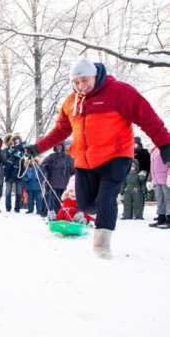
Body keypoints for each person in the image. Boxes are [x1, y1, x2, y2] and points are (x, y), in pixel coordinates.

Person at [27, 56, 170, 259]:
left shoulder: (119, 91)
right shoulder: (71, 102)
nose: (81, 86)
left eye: (85, 80)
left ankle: (102, 248)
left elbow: (146, 115)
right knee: (85, 204)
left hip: (116, 156)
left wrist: (164, 142)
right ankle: (100, 213)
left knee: (106, 199)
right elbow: (61, 130)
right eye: (76, 82)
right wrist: (37, 147)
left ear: (95, 75)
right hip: (85, 160)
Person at [41, 143, 75, 213]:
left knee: (65, 201)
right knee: (53, 201)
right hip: (53, 185)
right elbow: (43, 165)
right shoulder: (51, 157)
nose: (59, 149)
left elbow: (74, 170)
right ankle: (54, 214)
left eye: (60, 147)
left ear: (63, 148)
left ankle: (64, 215)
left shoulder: (68, 158)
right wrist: (46, 167)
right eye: (57, 147)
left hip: (65, 185)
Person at [149, 146, 170, 229]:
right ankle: (161, 218)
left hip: (166, 178)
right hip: (157, 179)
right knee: (160, 199)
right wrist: (152, 179)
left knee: (168, 199)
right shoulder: (156, 149)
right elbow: (153, 165)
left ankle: (169, 219)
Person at [4, 133, 25, 212]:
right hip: (10, 173)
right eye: (15, 139)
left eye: (18, 138)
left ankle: (17, 208)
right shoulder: (9, 150)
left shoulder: (23, 149)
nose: (17, 140)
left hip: (18, 173)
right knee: (8, 192)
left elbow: (25, 158)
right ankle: (8, 207)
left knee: (19, 192)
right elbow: (5, 160)